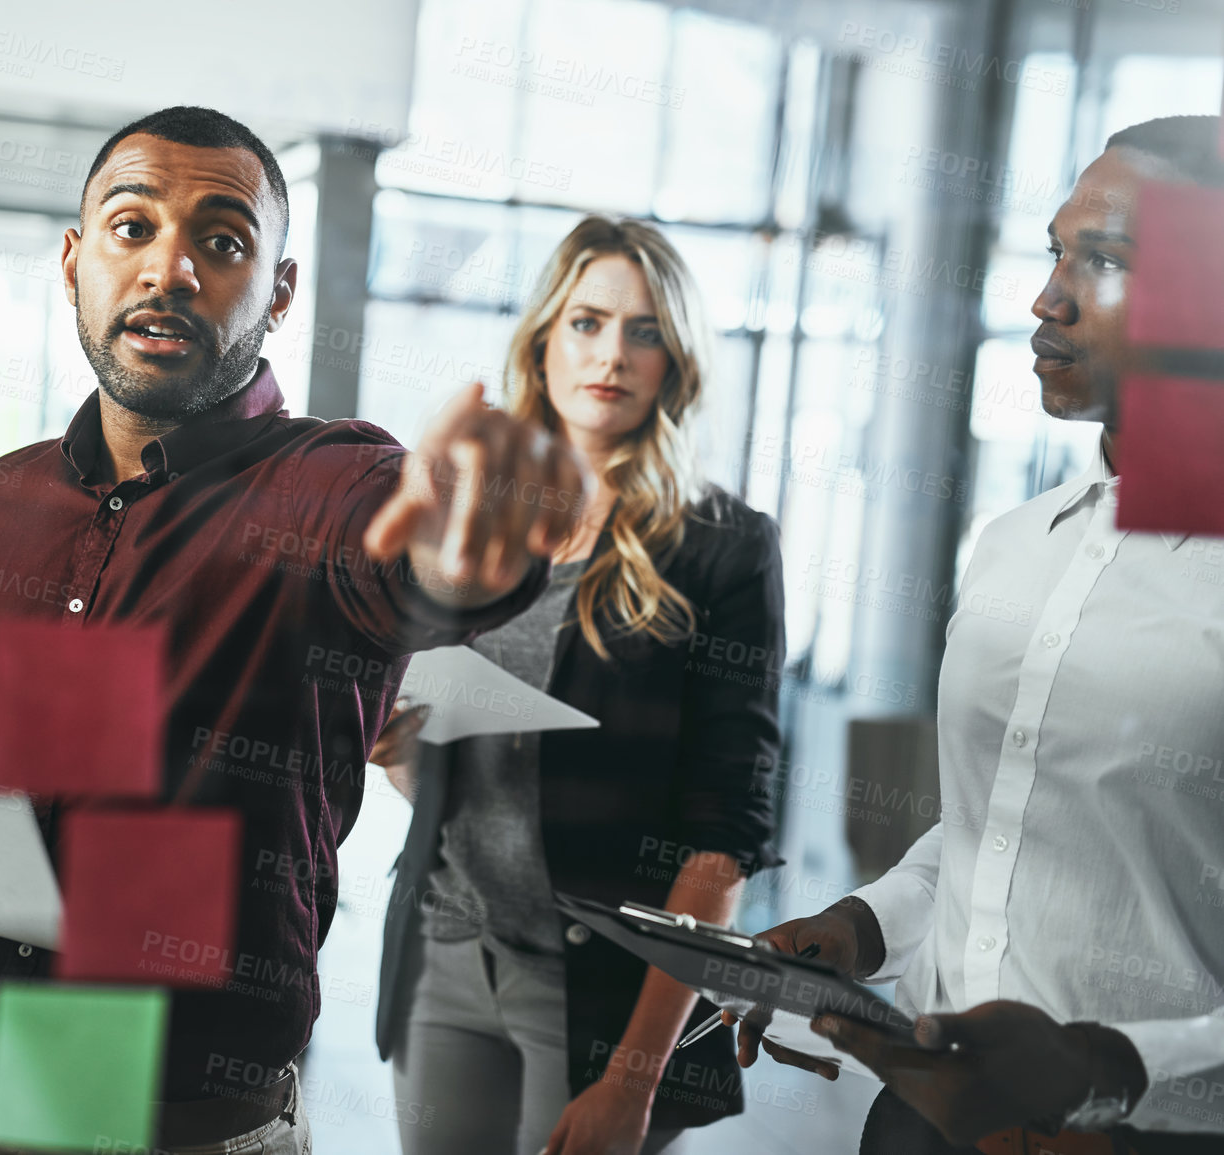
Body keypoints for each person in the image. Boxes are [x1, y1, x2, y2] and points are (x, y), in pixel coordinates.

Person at [0, 104, 589, 1155]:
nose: (170, 270)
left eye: (223, 241)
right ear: (74, 260)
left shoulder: (330, 482)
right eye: (132, 229)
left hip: (172, 1124)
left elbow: (405, 554)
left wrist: (464, 552)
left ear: (281, 291)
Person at [736, 116, 1224, 1155]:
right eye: (1055, 251)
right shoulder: (1015, 547)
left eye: (1103, 260)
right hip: (921, 1121)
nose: (1046, 297)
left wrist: (1106, 1076)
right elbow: (994, 825)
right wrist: (858, 930)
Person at [368, 215, 786, 1155]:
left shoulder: (722, 545)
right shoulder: (476, 512)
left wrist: (634, 1085)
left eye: (645, 332)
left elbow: (722, 839)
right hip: (447, 940)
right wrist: (399, 755)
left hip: (602, 985)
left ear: (675, 361)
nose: (613, 354)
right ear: (543, 338)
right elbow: (464, 773)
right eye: (588, 322)